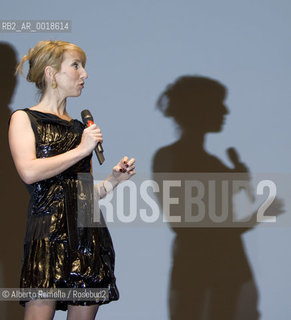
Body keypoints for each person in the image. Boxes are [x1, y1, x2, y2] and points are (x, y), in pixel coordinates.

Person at [8, 40, 135, 320]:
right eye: (76, 66)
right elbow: (29, 171)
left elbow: (85, 191)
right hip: (48, 234)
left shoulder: (80, 128)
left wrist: (113, 180)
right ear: (51, 74)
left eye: (83, 67)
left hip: (87, 233)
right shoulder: (24, 119)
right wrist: (81, 149)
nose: (84, 74)